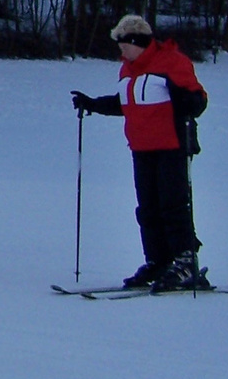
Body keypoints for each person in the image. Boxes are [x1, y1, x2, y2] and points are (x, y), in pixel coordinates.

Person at [72, 15, 210, 291]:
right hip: (142, 147)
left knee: (172, 205)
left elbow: (198, 99)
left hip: (171, 144)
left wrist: (187, 100)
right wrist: (93, 105)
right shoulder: (128, 70)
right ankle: (158, 260)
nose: (120, 50)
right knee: (148, 208)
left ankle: (184, 261)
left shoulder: (171, 62)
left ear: (136, 42)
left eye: (122, 44)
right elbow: (127, 103)